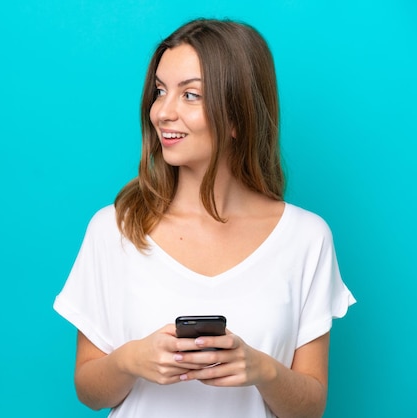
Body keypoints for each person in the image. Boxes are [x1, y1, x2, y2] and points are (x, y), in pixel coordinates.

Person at [53, 18, 355, 418]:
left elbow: (311, 407)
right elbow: (90, 392)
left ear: (236, 115)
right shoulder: (115, 228)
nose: (162, 111)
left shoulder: (306, 238)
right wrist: (130, 360)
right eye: (159, 91)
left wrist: (261, 369)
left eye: (190, 94)